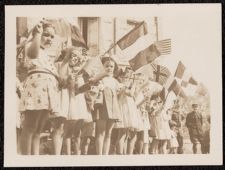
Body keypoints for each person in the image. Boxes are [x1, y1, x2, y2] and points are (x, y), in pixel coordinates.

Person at [19, 21, 61, 155]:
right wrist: (37, 34)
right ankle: (25, 160)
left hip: (47, 91)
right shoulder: (31, 45)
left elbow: (55, 75)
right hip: (36, 89)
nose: (49, 38)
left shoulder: (48, 56)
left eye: (52, 36)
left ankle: (34, 158)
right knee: (29, 127)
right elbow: (32, 54)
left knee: (38, 129)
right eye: (46, 35)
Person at [93, 56, 122, 155]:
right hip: (103, 105)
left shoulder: (115, 81)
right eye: (107, 66)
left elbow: (119, 93)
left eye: (111, 66)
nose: (109, 68)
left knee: (109, 133)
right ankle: (99, 155)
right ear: (102, 67)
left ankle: (105, 155)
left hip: (113, 107)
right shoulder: (100, 79)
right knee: (101, 132)